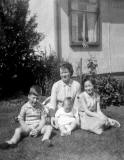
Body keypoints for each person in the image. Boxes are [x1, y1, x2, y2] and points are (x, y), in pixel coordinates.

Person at [0, 85, 53, 149]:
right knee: (18, 130)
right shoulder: (25, 107)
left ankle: (45, 139)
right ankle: (12, 142)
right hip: (28, 127)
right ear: (28, 97)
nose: (35, 100)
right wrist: (25, 126)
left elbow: (43, 119)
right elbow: (20, 119)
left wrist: (38, 129)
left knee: (49, 127)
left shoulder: (41, 106)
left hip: (38, 127)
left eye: (37, 98)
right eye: (33, 98)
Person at [47, 62, 81, 126]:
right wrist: (52, 116)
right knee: (47, 110)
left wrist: (75, 116)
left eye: (65, 72)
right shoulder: (56, 85)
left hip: (70, 110)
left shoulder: (77, 85)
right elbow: (53, 103)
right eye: (62, 73)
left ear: (70, 73)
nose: (63, 75)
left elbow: (77, 104)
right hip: (59, 110)